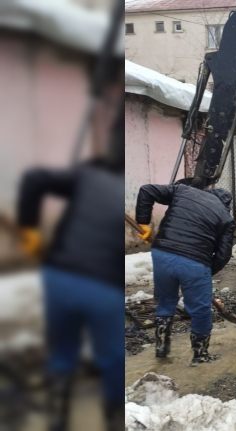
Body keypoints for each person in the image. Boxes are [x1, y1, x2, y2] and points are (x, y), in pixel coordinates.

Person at [17, 125, 125, 431]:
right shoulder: (108, 183)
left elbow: (34, 178)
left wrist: (29, 231)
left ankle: (56, 415)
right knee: (113, 360)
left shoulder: (87, 176)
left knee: (61, 353)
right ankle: (116, 415)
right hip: (104, 290)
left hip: (58, 279)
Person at [135, 183, 234, 365]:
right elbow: (223, 255)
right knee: (201, 310)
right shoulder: (226, 218)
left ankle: (162, 350)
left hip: (162, 254)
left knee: (165, 302)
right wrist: (205, 273)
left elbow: (146, 190)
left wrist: (143, 222)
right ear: (226, 205)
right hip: (195, 263)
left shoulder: (183, 190)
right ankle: (200, 356)